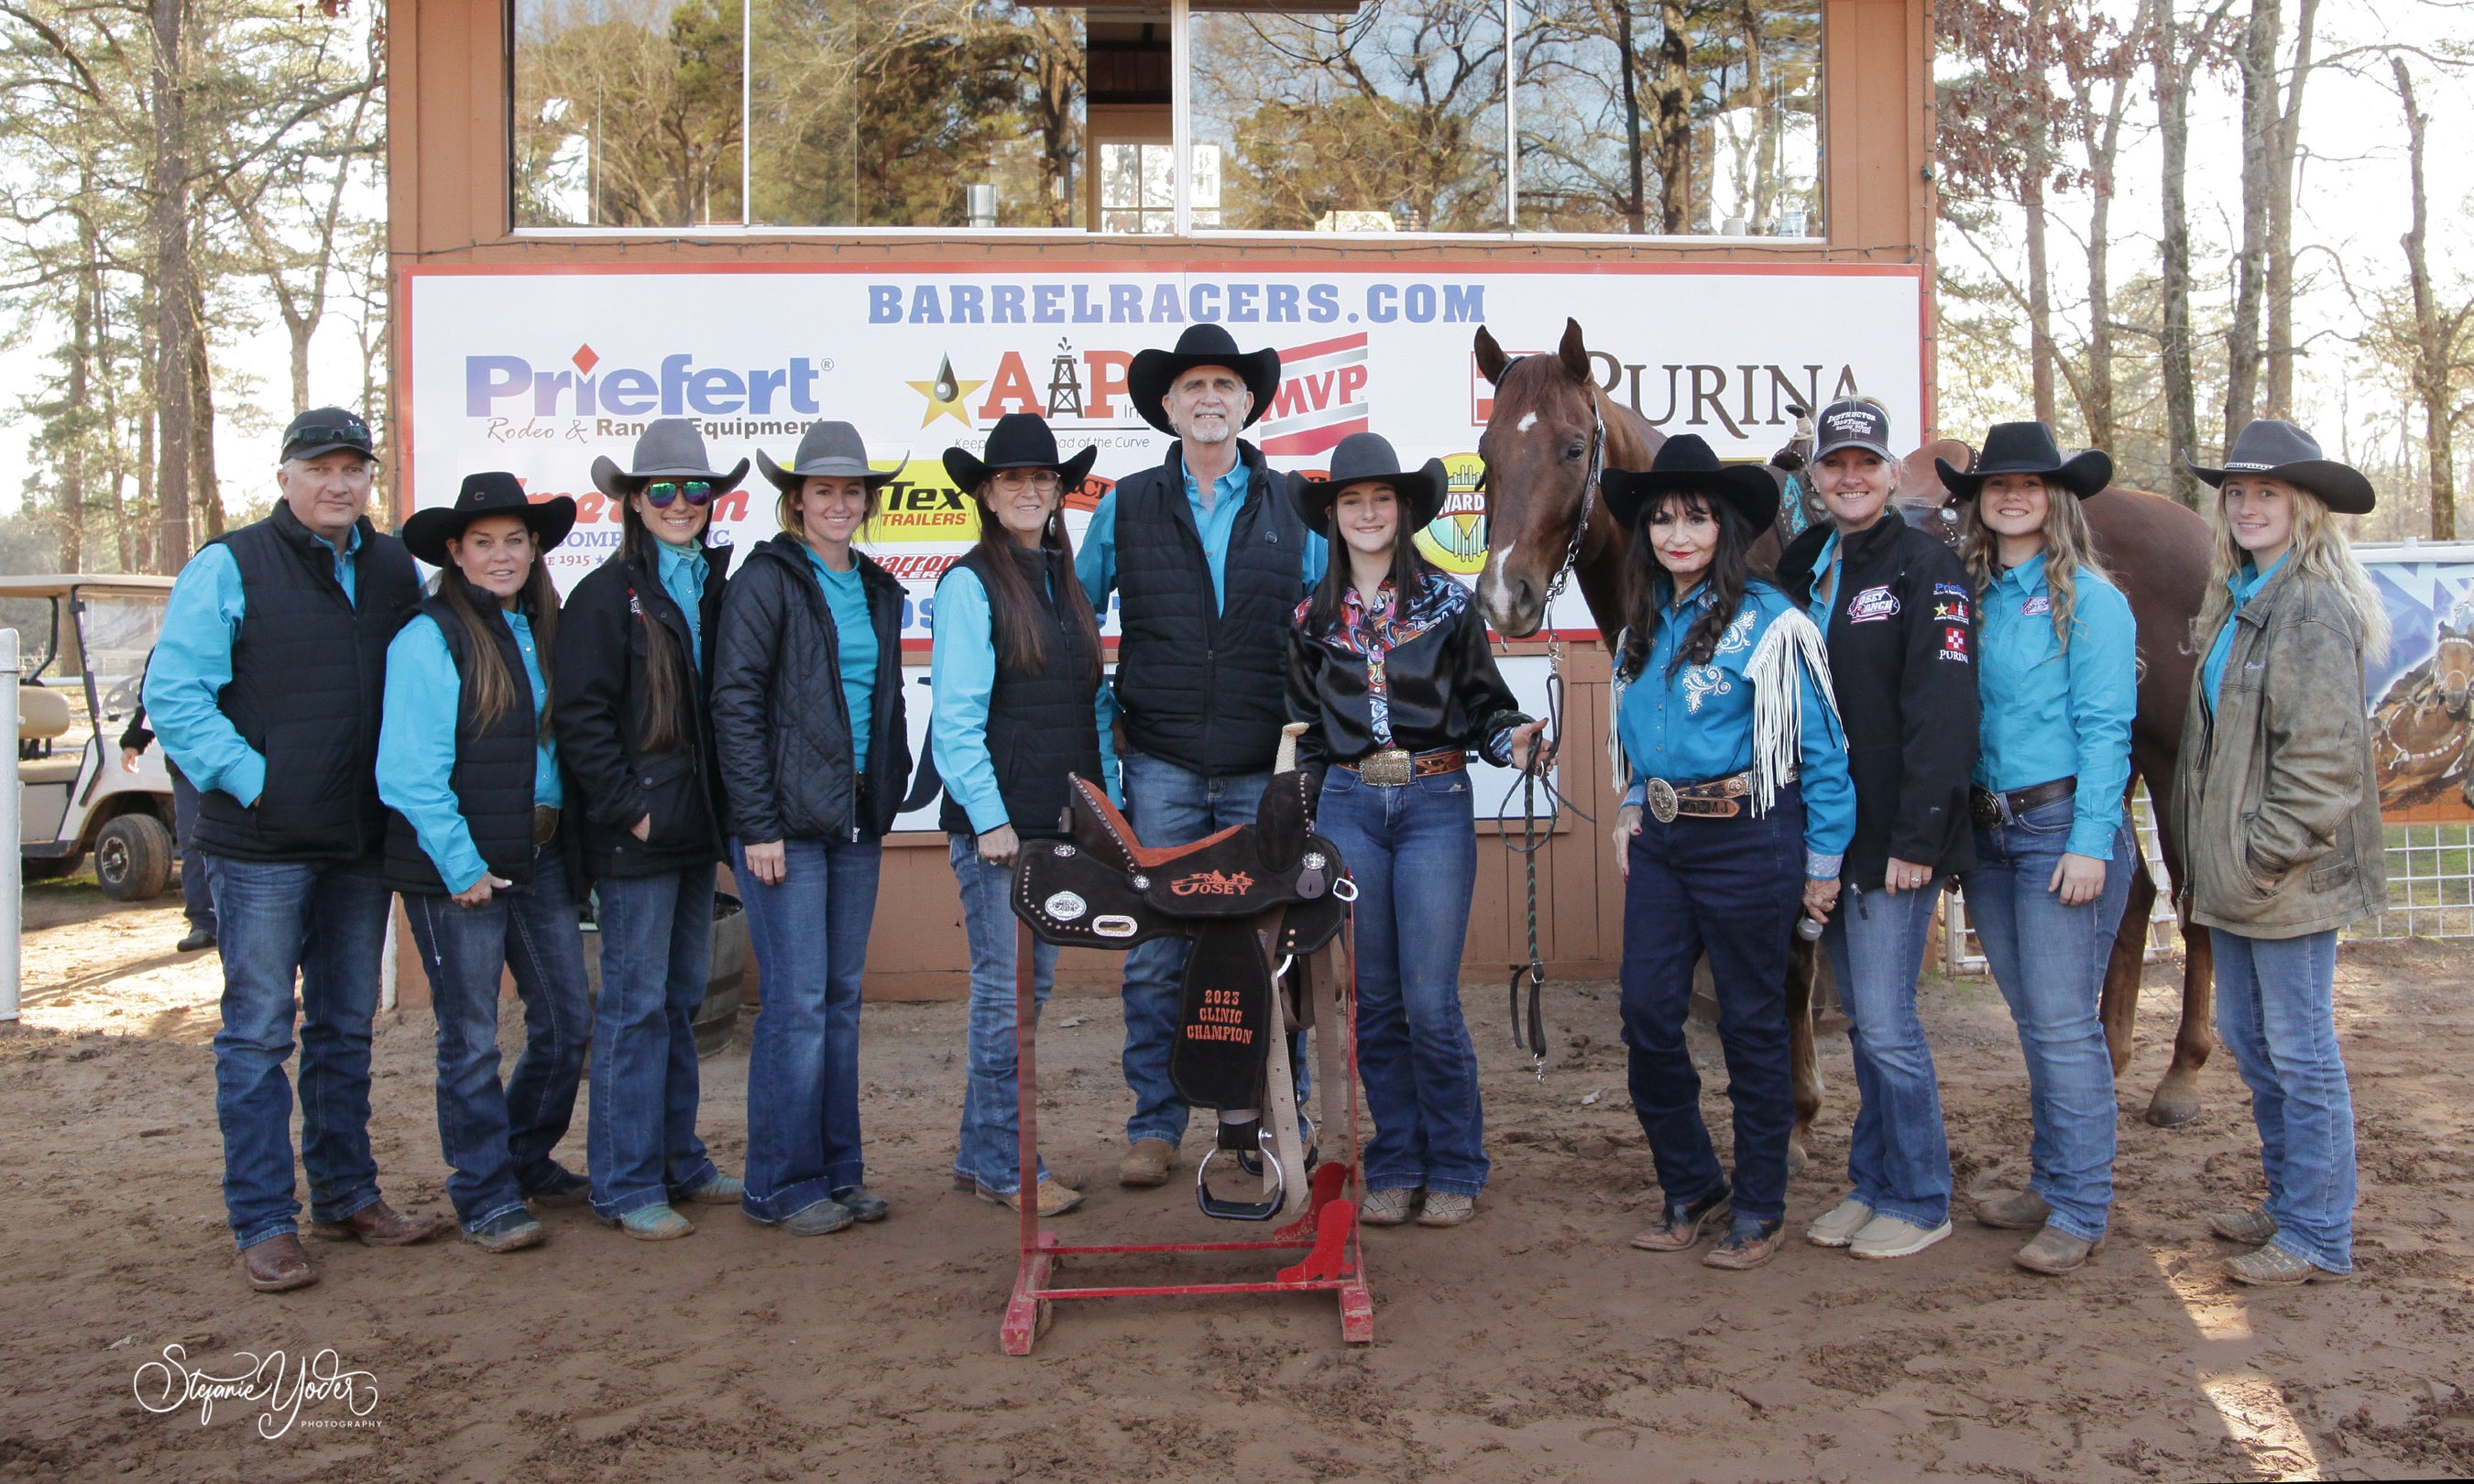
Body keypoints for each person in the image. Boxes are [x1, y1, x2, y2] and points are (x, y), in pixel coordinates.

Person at [143, 406, 440, 1293]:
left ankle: (347, 1194)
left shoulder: (393, 567)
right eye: (320, 468)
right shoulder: (228, 565)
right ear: (284, 477)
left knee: (346, 1025)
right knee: (260, 1033)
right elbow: (176, 694)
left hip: (356, 842)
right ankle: (265, 1221)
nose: (339, 483)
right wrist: (258, 781)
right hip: (262, 843)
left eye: (354, 468)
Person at [1078, 324, 1328, 1189]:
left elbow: (1339, 616)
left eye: (1225, 385)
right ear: (1169, 406)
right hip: (1162, 764)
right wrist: (1109, 712)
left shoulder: (1296, 505)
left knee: (1269, 950)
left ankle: (1267, 1123)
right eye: (1194, 388)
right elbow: (1077, 621)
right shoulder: (1126, 503)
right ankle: (1154, 1124)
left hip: (1264, 767)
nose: (1210, 399)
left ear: (1249, 403)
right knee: (1154, 952)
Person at [1603, 436, 1854, 1271]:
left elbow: (1821, 751)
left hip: (1752, 840)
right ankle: (1691, 1185)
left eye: (1697, 518)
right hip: (1668, 844)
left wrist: (1824, 867)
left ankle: (1759, 1205)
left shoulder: (1775, 623)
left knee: (1750, 1023)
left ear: (1726, 528)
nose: (1678, 533)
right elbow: (1643, 739)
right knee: (1646, 1014)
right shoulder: (1640, 626)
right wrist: (1635, 803)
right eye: (1663, 519)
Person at [1285, 431, 1546, 1230]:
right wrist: (1298, 828)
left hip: (1434, 801)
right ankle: (1395, 1162)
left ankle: (1459, 1162)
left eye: (1381, 499)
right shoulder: (1307, 620)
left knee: (1432, 1003)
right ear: (1334, 517)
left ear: (1404, 512)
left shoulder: (1449, 603)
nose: (1367, 513)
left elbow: (1485, 704)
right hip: (1350, 806)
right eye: (1352, 502)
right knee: (1376, 1002)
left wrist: (1516, 739)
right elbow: (1303, 737)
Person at [2173, 419, 2388, 1287]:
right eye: (2237, 493)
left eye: (2269, 492)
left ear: (2305, 508)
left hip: (2282, 877)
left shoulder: (2307, 608)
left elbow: (2323, 761)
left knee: (2299, 1049)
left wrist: (2261, 859)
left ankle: (2319, 1233)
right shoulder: (2244, 596)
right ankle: (2291, 1199)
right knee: (2252, 1041)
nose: (2250, 505)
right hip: (2240, 874)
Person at [1777, 397, 1979, 1261]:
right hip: (1832, 833)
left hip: (1896, 834)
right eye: (1836, 465)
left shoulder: (1926, 566)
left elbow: (1944, 709)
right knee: (1862, 1019)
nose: (1851, 478)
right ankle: (1872, 1182)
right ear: (1816, 478)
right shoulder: (1805, 562)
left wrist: (1919, 838)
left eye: (1866, 464)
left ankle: (1922, 1194)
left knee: (1890, 1024)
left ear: (1893, 473)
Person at [1939, 423, 2139, 1276]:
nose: (2012, 495)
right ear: (1979, 500)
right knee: (2036, 1023)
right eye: (1996, 484)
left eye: (2031, 482)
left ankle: (2083, 1206)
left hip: (2060, 829)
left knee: (2063, 1026)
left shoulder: (2093, 599)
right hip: (1989, 833)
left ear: (2057, 497)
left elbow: (2106, 729)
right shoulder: (1969, 595)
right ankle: (2053, 1183)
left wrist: (2093, 840)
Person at [379, 473, 589, 1255]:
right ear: (456, 554)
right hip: (457, 868)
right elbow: (406, 769)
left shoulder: (541, 627)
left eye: (515, 540)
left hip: (536, 856)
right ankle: (482, 1188)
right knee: (468, 1036)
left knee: (568, 1021)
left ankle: (523, 1156)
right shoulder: (428, 635)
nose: (501, 555)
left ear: (535, 549)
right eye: (483, 542)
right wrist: (461, 864)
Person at [712, 421, 913, 1237]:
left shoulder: (874, 584)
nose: (839, 503)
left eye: (852, 491)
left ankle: (837, 1172)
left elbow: (881, 702)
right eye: (823, 490)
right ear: (795, 501)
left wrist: (886, 792)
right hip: (784, 827)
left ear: (867, 503)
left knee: (836, 1000)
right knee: (795, 1003)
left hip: (855, 820)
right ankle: (781, 1184)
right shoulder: (767, 580)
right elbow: (736, 703)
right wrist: (756, 822)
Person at [556, 419, 744, 1240]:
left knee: (677, 1000)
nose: (679, 503)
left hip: (693, 827)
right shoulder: (604, 594)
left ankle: (677, 1157)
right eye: (660, 490)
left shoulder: (708, 585)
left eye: (694, 489)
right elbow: (581, 717)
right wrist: (627, 807)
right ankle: (624, 1181)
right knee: (634, 1007)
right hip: (638, 834)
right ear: (633, 501)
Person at [930, 414, 1114, 1216]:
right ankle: (1009, 1165)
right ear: (986, 492)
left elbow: (1085, 710)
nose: (1031, 491)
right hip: (1003, 833)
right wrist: (990, 820)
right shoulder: (970, 584)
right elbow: (956, 720)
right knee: (1006, 1001)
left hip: (1055, 825)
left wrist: (1097, 811)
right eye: (1013, 479)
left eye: (1043, 478)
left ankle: (983, 1159)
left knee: (1022, 997)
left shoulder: (1062, 582)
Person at [117, 673, 216, 953]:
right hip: (187, 761)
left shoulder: (240, 631)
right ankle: (205, 922)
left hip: (243, 753)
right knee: (194, 840)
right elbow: (155, 698)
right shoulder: (167, 646)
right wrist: (133, 742)